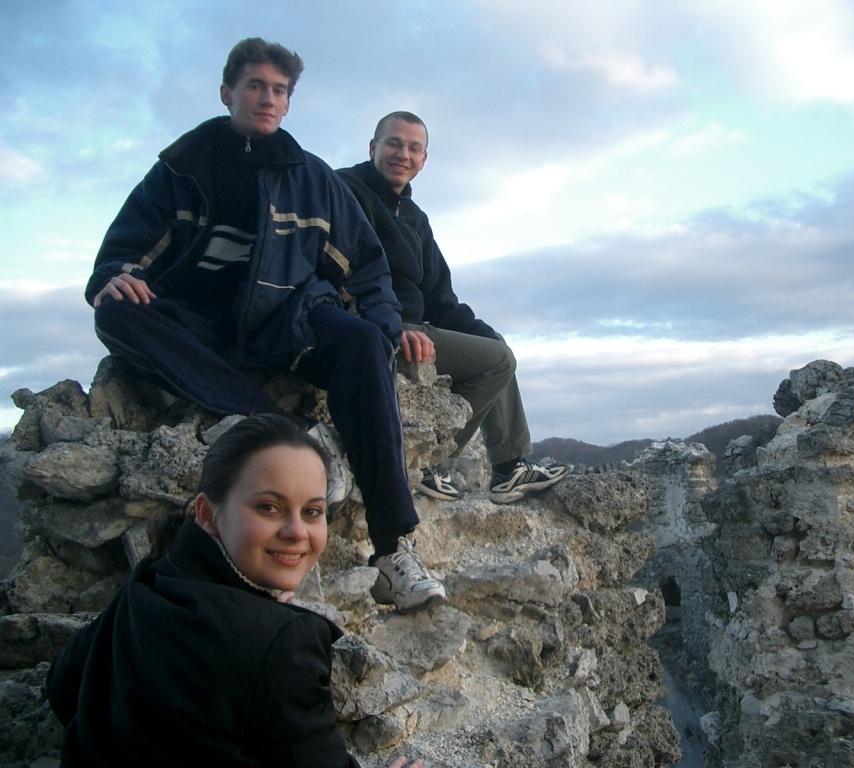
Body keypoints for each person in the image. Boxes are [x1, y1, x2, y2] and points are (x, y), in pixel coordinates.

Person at [85, 40, 443, 612]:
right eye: (256, 86)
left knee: (362, 341)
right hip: (200, 323)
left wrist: (386, 329)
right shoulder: (181, 167)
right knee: (116, 310)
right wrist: (115, 276)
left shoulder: (312, 178)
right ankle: (264, 416)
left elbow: (367, 269)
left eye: (279, 90)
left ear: (289, 102)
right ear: (227, 93)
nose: (268, 99)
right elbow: (123, 252)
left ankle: (393, 547)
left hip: (289, 318)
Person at [46, 414, 425, 768]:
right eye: (269, 507)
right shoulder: (282, 643)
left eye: (312, 511)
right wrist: (267, 624)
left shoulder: (150, 582)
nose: (297, 531)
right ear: (208, 514)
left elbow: (62, 685)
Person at [337, 112, 568, 504]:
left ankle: (509, 468)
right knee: (497, 361)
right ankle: (424, 460)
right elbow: (340, 270)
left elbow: (440, 298)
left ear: (424, 160)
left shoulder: (415, 219)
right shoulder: (344, 191)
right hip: (371, 323)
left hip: (413, 325)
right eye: (394, 143)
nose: (403, 155)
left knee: (495, 347)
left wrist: (485, 334)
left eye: (414, 148)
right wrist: (389, 325)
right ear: (374, 147)